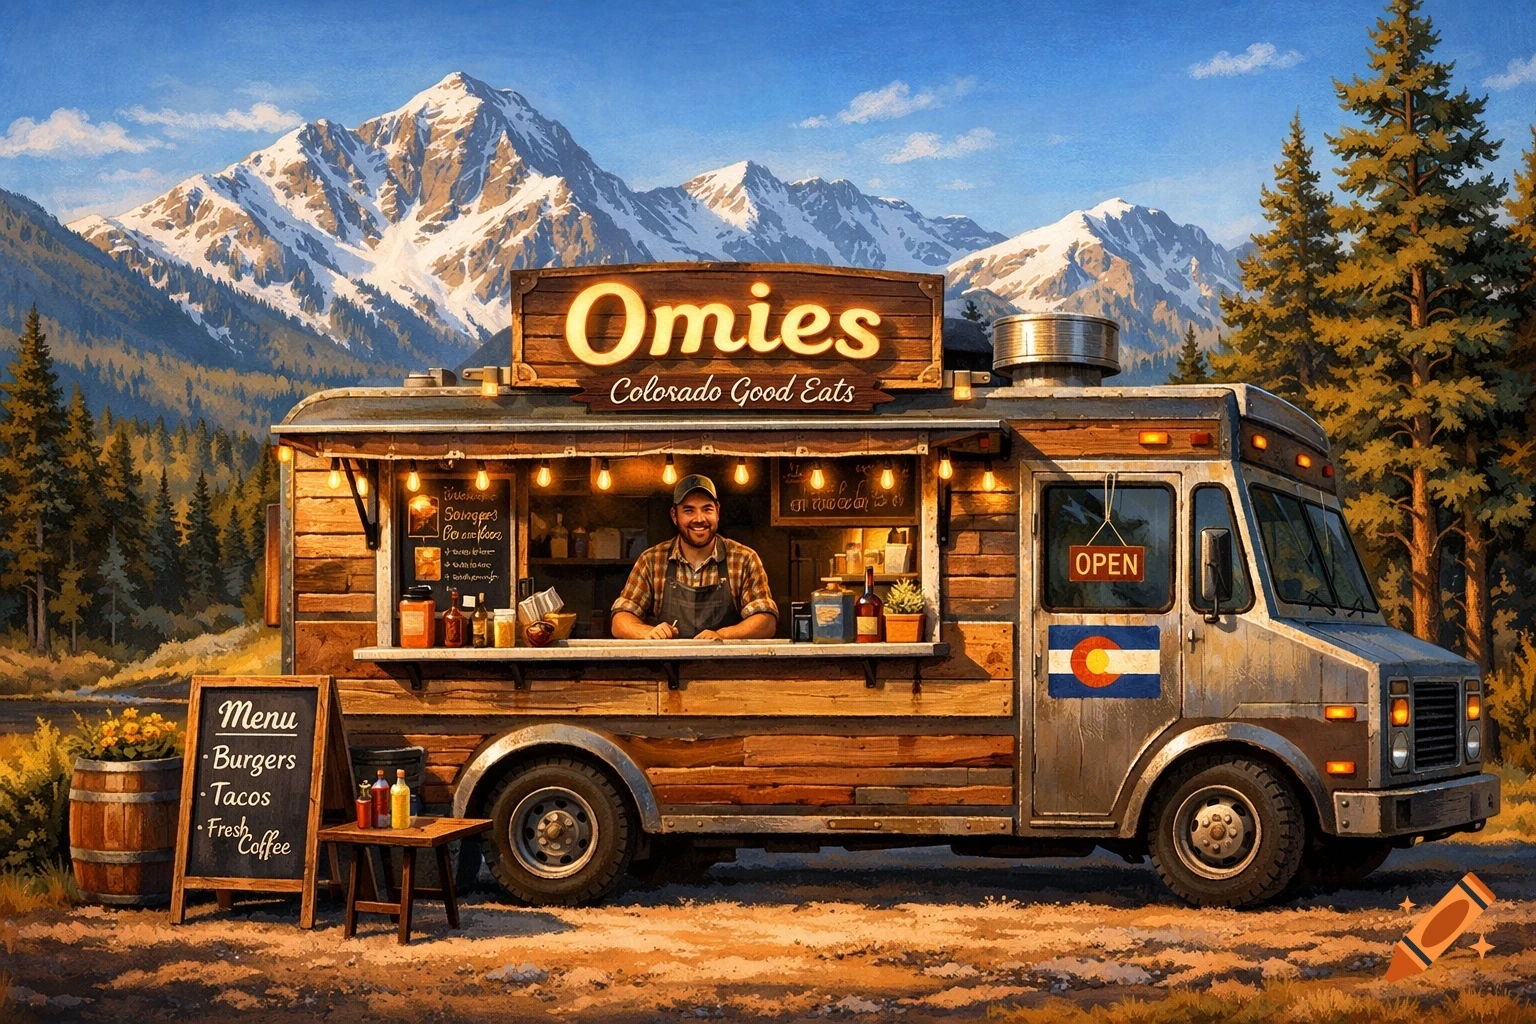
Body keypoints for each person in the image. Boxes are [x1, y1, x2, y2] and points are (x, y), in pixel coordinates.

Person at [610, 474, 778, 640]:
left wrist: (722, 635)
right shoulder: (652, 560)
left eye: (707, 509)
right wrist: (646, 633)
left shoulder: (744, 559)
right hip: (668, 665)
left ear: (717, 511)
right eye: (689, 510)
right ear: (674, 515)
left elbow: (766, 623)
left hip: (727, 665)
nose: (699, 519)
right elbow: (620, 621)